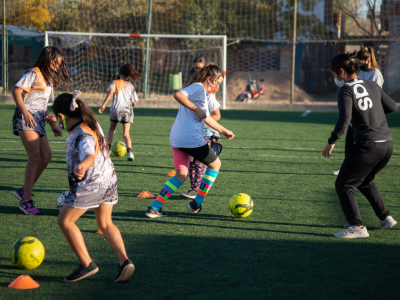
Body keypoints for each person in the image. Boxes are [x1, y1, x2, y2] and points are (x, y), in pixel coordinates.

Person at [46, 91, 135, 282]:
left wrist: (83, 165)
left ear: (64, 116)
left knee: (65, 221)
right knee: (105, 223)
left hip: (90, 183)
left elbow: (90, 154)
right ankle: (125, 261)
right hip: (108, 181)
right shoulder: (91, 124)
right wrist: (54, 122)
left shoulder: (83, 134)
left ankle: (87, 264)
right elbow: (76, 132)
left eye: (59, 118)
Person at [322, 53, 398, 238]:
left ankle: (357, 226)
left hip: (368, 146)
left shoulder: (346, 89)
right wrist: (373, 114)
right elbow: (393, 107)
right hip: (387, 145)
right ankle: (385, 218)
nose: (335, 78)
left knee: (343, 184)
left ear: (341, 71)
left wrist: (331, 141)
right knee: (364, 181)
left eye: (334, 74)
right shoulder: (371, 84)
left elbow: (344, 119)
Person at [145, 64, 235, 218]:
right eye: (217, 83)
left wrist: (223, 130)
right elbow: (178, 95)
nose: (217, 87)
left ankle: (155, 208)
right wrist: (196, 108)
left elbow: (206, 117)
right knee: (216, 164)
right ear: (209, 79)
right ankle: (196, 203)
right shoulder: (198, 87)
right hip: (190, 137)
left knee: (180, 174)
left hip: (177, 137)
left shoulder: (203, 94)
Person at [12, 46, 72, 215]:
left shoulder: (48, 78)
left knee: (46, 156)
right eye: (55, 63)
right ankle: (26, 200)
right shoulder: (33, 73)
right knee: (34, 157)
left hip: (39, 120)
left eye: (59, 64)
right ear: (47, 60)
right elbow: (16, 91)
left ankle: (24, 190)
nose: (57, 67)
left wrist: (52, 124)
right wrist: (25, 112)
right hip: (26, 119)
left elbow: (42, 104)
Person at [332, 47, 384, 176]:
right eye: (357, 63)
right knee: (349, 141)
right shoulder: (358, 73)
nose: (359, 65)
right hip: (356, 114)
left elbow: (375, 93)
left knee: (364, 144)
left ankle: (363, 168)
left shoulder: (375, 73)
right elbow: (349, 83)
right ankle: (346, 166)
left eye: (361, 62)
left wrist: (331, 141)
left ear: (368, 60)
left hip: (366, 114)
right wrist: (337, 77)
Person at [181, 65, 223, 199]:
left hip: (206, 134)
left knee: (200, 163)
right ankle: (194, 188)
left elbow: (216, 115)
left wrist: (204, 121)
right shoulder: (193, 95)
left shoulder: (209, 97)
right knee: (192, 163)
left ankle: (198, 190)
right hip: (192, 134)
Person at [98, 64, 141, 161]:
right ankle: (130, 153)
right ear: (129, 76)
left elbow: (110, 93)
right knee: (126, 134)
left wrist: (103, 104)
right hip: (127, 111)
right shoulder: (131, 86)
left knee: (111, 129)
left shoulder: (114, 82)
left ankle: (107, 151)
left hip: (115, 110)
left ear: (120, 73)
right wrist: (131, 106)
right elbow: (134, 102)